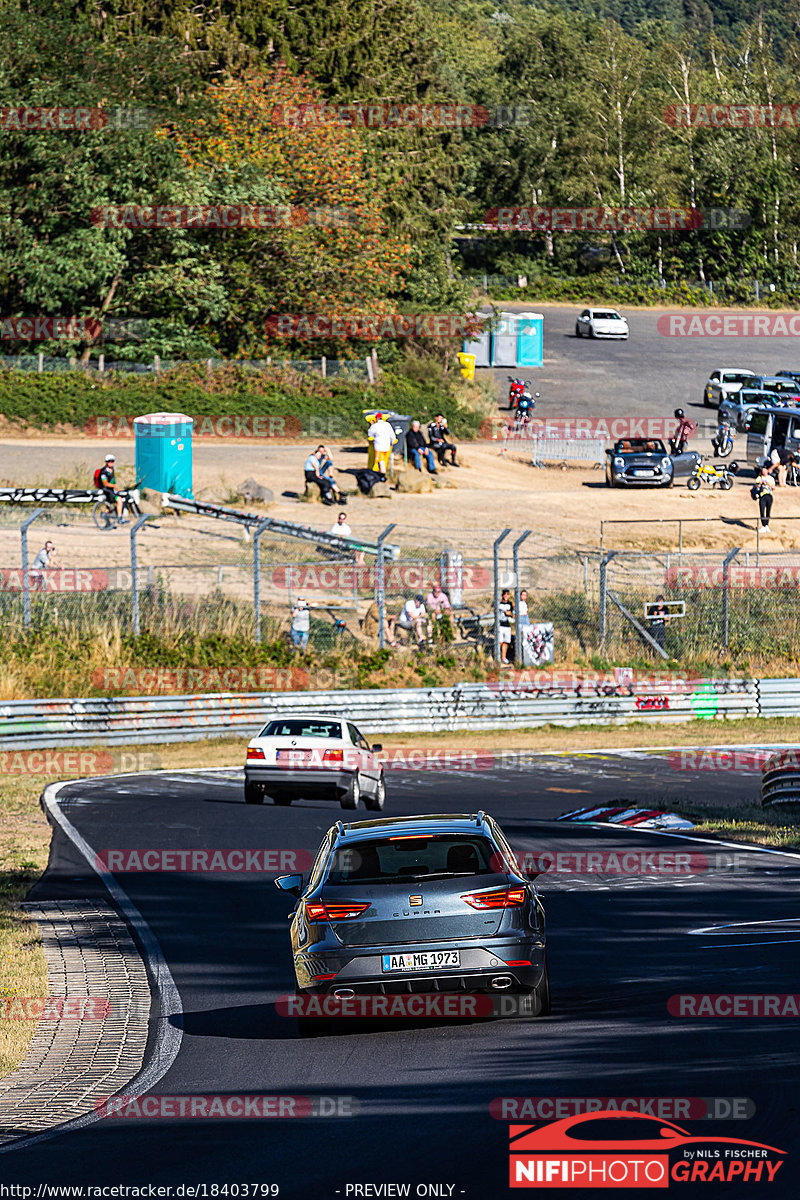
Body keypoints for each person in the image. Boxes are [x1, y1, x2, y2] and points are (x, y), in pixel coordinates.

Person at [95, 454, 126, 523]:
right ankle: (120, 518)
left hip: (111, 490)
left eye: (112, 461)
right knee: (119, 500)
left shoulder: (112, 469)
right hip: (106, 490)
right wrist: (114, 486)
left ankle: (106, 515)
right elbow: (105, 483)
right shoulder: (103, 472)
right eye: (109, 461)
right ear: (106, 462)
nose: (111, 463)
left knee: (108, 505)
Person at [367, 413, 397, 480]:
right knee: (384, 462)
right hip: (387, 447)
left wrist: (371, 425)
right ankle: (382, 475)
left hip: (379, 447)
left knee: (380, 462)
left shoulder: (375, 426)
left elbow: (369, 434)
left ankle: (381, 476)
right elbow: (393, 436)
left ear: (377, 418)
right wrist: (392, 442)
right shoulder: (387, 425)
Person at [753, 464, 776, 532]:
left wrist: (768, 484)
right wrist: (760, 484)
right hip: (762, 496)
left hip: (769, 495)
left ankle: (767, 525)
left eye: (765, 470)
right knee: (762, 511)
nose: (764, 472)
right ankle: (763, 525)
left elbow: (773, 488)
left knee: (768, 511)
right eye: (763, 470)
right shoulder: (759, 478)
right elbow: (756, 486)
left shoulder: (770, 478)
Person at [498, 588, 514, 665]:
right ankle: (498, 656)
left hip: (507, 625)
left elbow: (513, 614)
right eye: (505, 594)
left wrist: (510, 614)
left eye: (508, 594)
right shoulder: (499, 603)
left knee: (505, 642)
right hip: (500, 624)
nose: (506, 596)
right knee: (500, 641)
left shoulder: (510, 604)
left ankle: (503, 658)